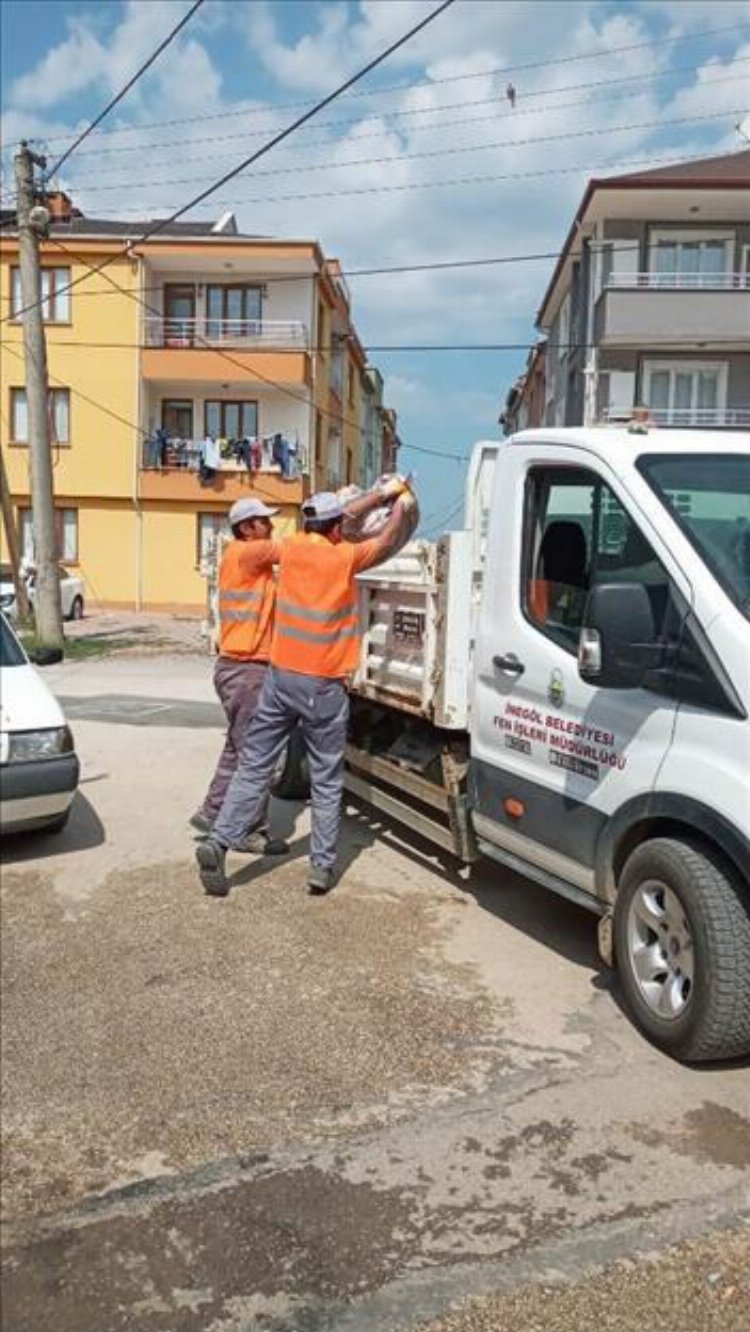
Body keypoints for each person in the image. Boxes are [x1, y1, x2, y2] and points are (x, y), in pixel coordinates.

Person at [195, 487, 415, 898]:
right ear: (336, 529)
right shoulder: (344, 557)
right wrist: (400, 505)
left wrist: (370, 500)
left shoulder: (290, 548)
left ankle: (219, 841)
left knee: (253, 765)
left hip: (279, 678)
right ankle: (320, 868)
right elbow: (385, 541)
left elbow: (336, 516)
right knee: (327, 780)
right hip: (323, 685)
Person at [190, 496, 289, 857]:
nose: (271, 526)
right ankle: (246, 831)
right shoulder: (249, 553)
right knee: (256, 756)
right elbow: (295, 551)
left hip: (236, 668)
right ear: (247, 528)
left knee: (238, 748)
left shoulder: (243, 558)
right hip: (248, 671)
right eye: (264, 521)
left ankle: (213, 812)